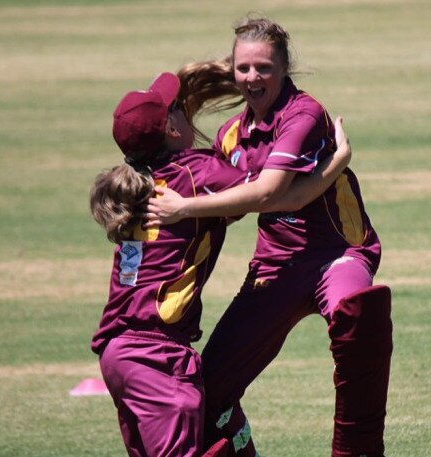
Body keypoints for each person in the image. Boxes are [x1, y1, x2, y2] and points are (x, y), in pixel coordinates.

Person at [146, 16, 393, 457]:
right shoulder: (229, 137)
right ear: (233, 71)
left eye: (264, 68)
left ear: (284, 70)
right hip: (274, 268)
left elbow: (275, 194)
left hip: (336, 255)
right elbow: (236, 206)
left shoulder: (304, 113)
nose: (253, 77)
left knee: (358, 318)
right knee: (209, 393)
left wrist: (185, 207)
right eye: (244, 68)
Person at [89, 71, 352, 457]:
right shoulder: (198, 174)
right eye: (178, 108)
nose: (186, 109)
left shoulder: (135, 185)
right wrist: (336, 161)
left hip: (117, 355)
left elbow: (223, 214)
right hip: (156, 355)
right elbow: (274, 194)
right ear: (172, 131)